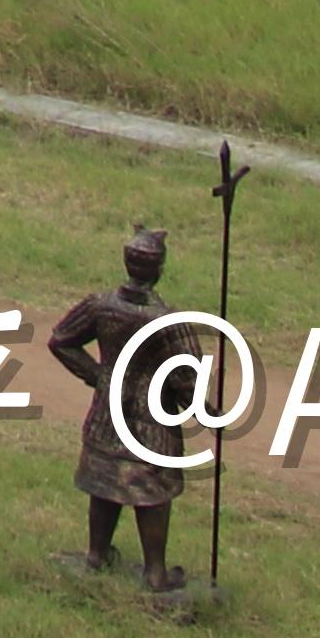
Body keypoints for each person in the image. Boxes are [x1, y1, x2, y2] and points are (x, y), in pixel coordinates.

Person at [46, 225, 191, 593]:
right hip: (152, 421)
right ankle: (154, 573)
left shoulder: (101, 305)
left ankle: (97, 553)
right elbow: (187, 379)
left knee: (105, 478)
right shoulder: (168, 321)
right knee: (151, 489)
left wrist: (100, 377)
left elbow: (62, 341)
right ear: (159, 270)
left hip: (107, 414)